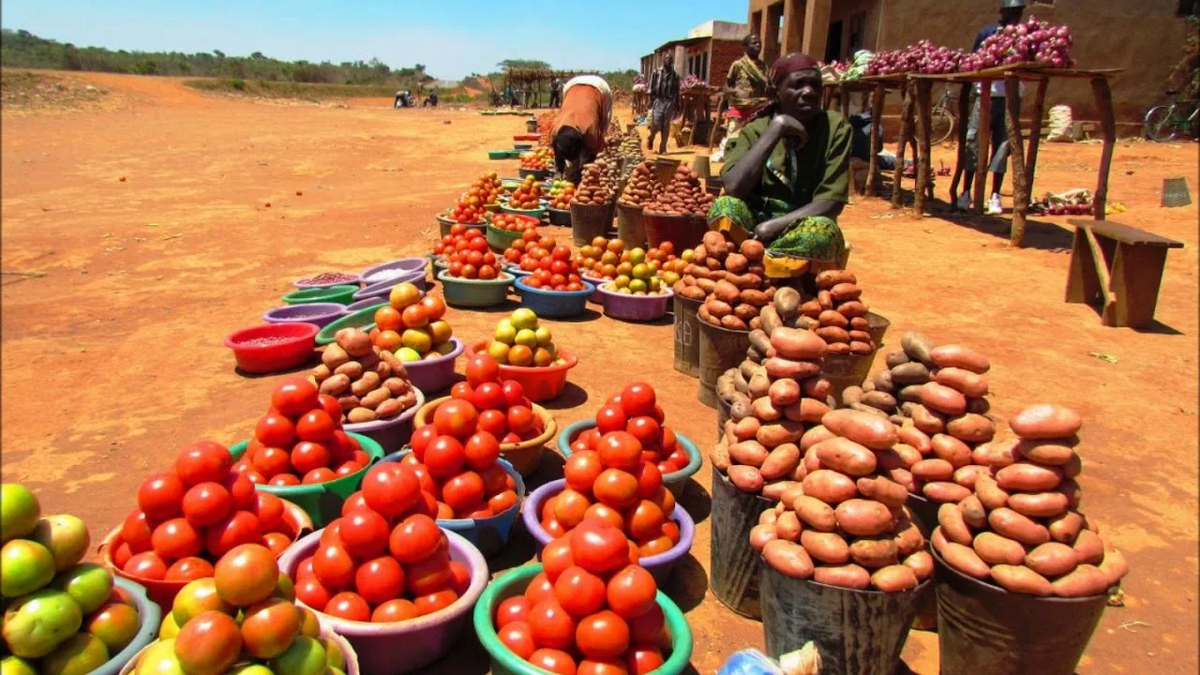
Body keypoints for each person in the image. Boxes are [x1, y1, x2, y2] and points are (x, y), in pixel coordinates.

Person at [709, 53, 851, 284]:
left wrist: (774, 226)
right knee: (724, 206)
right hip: (755, 224)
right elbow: (734, 186)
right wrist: (777, 129)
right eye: (798, 84)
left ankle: (769, 276)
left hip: (801, 225)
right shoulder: (755, 129)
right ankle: (745, 270)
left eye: (815, 85)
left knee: (822, 233)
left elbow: (831, 202)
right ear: (776, 92)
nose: (809, 91)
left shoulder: (834, 127)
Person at [958, 0, 1026, 214]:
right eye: (1012, 11)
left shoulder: (1024, 36)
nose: (1015, 16)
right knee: (974, 141)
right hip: (985, 95)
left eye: (1019, 12)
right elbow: (974, 61)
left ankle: (995, 195)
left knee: (1003, 145)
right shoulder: (987, 33)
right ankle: (966, 191)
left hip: (1010, 97)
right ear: (1002, 12)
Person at [550, 75, 613, 183]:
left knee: (601, 124)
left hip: (600, 88)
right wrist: (559, 171)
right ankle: (562, 171)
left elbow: (594, 150)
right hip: (571, 86)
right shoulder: (555, 131)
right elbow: (557, 147)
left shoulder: (591, 131)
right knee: (561, 143)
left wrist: (582, 172)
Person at [723, 33, 771, 139]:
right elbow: (726, 86)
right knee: (733, 142)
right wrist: (735, 91)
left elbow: (767, 86)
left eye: (759, 43)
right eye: (754, 43)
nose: (758, 45)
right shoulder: (738, 65)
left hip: (757, 111)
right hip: (739, 111)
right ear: (745, 47)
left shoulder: (764, 67)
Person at [647, 53, 680, 154]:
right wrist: (650, 100)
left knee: (666, 126)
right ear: (663, 61)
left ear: (672, 61)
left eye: (670, 59)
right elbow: (651, 87)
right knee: (656, 123)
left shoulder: (675, 75)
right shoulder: (656, 72)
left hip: (669, 102)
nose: (668, 61)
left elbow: (677, 91)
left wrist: (677, 104)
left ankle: (663, 148)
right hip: (658, 100)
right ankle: (651, 137)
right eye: (666, 59)